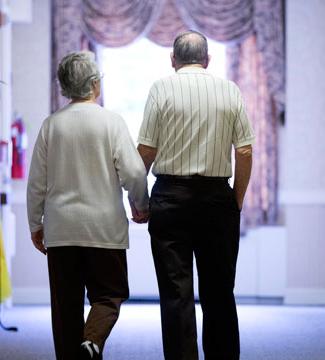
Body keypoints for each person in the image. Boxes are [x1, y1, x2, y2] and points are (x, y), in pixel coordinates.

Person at [135, 30, 255, 360]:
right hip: (218, 199)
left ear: (172, 60)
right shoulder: (229, 90)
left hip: (170, 197)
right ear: (208, 60)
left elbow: (146, 151)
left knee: (176, 295)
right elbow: (244, 151)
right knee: (219, 292)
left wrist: (138, 198)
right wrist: (237, 200)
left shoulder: (161, 88)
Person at [26, 51, 149, 360]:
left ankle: (78, 352)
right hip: (103, 229)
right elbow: (134, 172)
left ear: (64, 87)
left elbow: (36, 183)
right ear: (95, 84)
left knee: (65, 309)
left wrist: (35, 225)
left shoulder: (51, 125)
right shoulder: (112, 122)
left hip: (61, 229)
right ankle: (92, 342)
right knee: (110, 295)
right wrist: (140, 204)